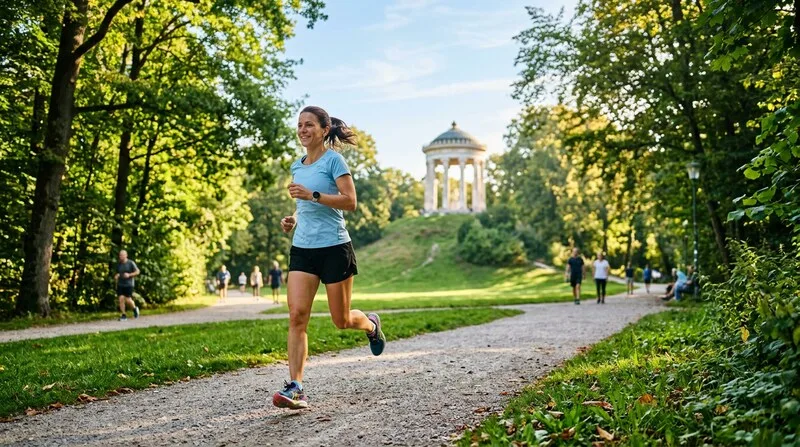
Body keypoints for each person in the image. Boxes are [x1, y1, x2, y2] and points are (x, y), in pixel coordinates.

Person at [272, 106, 386, 410]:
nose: (303, 130)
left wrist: (313, 195)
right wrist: (293, 219)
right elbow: (304, 206)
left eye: (309, 124)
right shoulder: (297, 166)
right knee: (297, 316)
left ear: (324, 130)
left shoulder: (335, 161)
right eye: (300, 125)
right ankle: (296, 387)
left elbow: (350, 202)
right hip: (303, 248)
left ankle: (371, 325)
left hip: (335, 247)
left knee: (342, 319)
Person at [115, 250, 140, 321]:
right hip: (120, 284)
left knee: (128, 299)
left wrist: (129, 275)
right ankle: (123, 315)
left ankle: (134, 308)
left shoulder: (131, 263)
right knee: (121, 299)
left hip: (129, 284)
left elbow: (137, 271)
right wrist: (117, 276)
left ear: (126, 255)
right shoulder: (119, 264)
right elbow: (117, 273)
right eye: (120, 255)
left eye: (122, 255)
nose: (121, 256)